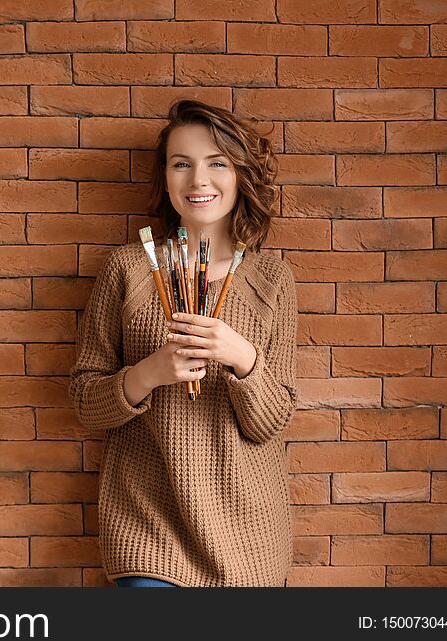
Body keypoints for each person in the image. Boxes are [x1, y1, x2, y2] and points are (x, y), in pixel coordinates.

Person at [69, 99, 298, 587]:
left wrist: (243, 359)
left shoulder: (272, 279)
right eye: (182, 164)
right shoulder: (129, 270)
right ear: (165, 178)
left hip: (248, 537)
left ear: (239, 176)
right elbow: (86, 404)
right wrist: (148, 373)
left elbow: (271, 423)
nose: (199, 180)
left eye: (217, 163)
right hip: (147, 530)